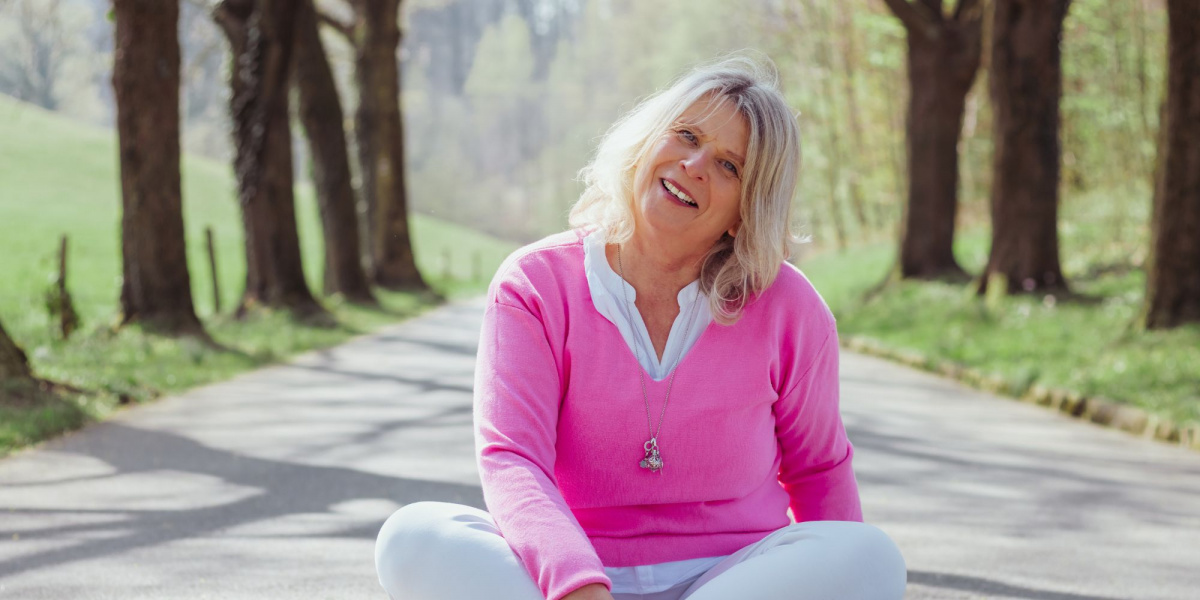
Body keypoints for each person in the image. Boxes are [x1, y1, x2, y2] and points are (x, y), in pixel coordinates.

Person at [374, 53, 907, 600]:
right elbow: (513, 459)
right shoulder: (535, 283)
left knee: (870, 557)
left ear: (747, 210)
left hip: (733, 580)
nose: (694, 164)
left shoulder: (789, 306)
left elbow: (819, 470)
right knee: (411, 537)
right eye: (686, 135)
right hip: (570, 575)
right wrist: (579, 586)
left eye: (729, 166)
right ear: (648, 141)